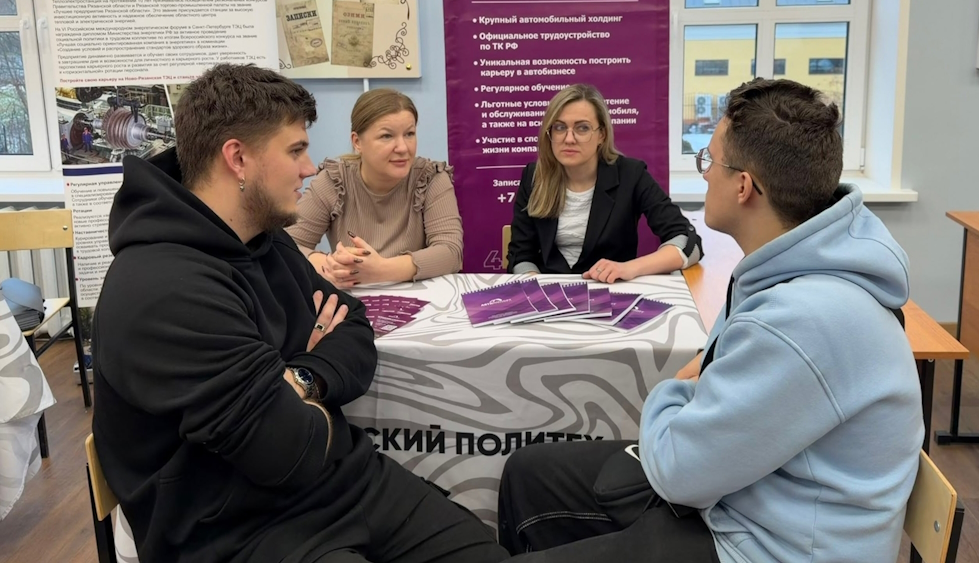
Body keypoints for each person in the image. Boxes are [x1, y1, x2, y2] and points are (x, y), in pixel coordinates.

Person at [92, 64, 507, 563]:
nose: (309, 168)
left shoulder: (265, 241)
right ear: (238, 158)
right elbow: (289, 450)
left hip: (344, 483)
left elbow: (355, 328)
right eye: (295, 151)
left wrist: (298, 378)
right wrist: (307, 381)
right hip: (234, 529)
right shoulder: (164, 287)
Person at [497, 78, 923, 563]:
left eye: (710, 161)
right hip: (745, 501)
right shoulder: (784, 271)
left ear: (743, 186)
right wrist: (701, 380)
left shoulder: (800, 321)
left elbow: (678, 468)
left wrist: (675, 389)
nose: (704, 176)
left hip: (762, 544)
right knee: (529, 471)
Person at [506, 84, 701, 282]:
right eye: (560, 127)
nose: (569, 139)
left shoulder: (631, 175)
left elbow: (689, 243)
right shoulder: (534, 177)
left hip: (612, 291)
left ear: (602, 135)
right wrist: (535, 286)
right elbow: (520, 255)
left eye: (582, 128)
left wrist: (630, 268)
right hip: (549, 293)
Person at [288, 88, 462, 288]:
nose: (403, 148)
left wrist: (382, 270)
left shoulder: (431, 178)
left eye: (409, 134)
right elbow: (287, 245)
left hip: (419, 296)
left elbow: (450, 252)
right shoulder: (334, 180)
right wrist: (329, 265)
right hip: (352, 295)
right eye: (387, 136)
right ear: (357, 142)